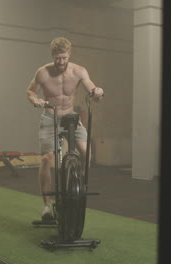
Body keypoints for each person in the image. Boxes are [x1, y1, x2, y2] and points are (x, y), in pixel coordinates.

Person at [26, 37, 104, 220]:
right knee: (46, 158)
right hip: (49, 117)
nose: (60, 62)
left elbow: (91, 87)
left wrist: (97, 91)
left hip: (70, 117)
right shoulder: (43, 73)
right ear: (52, 56)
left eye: (64, 58)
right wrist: (35, 99)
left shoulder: (78, 71)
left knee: (86, 153)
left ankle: (78, 186)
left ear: (69, 55)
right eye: (57, 58)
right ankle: (46, 205)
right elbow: (30, 91)